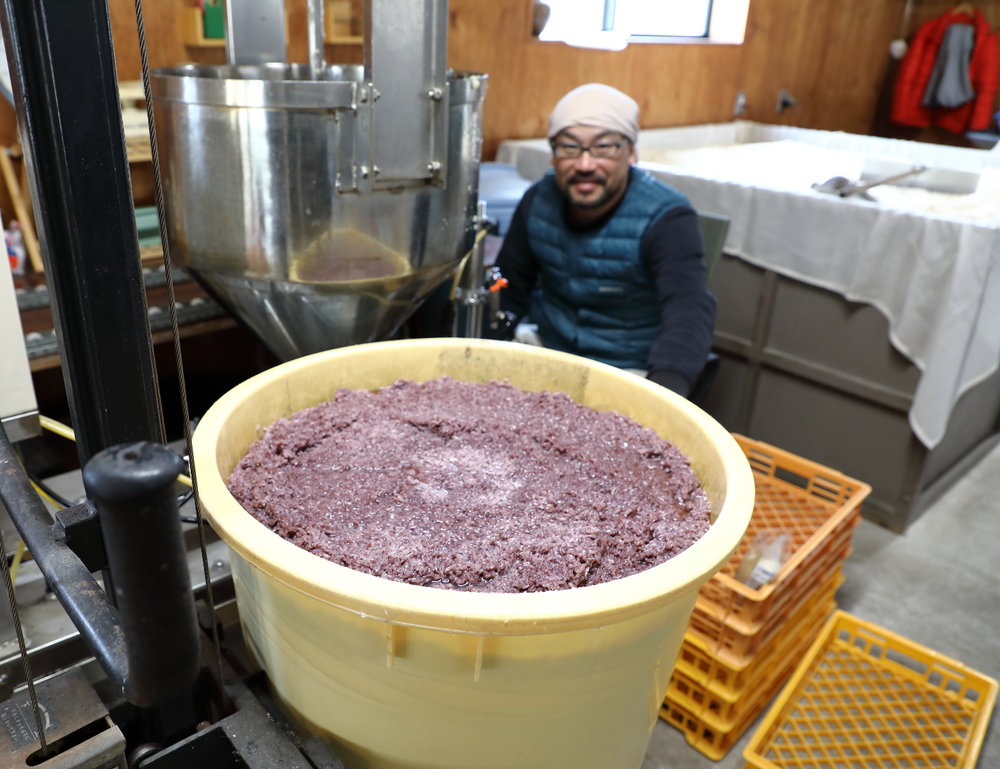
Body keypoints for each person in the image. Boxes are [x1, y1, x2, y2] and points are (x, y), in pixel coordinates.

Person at [492, 83, 716, 398]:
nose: (585, 165)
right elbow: (509, 288)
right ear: (553, 156)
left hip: (628, 369)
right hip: (549, 350)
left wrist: (665, 391)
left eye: (604, 147)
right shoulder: (537, 200)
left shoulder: (667, 218)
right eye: (569, 147)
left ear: (631, 152)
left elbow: (688, 309)